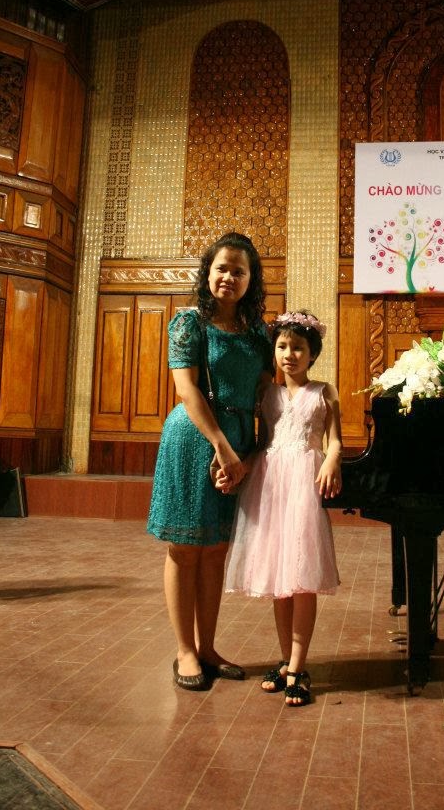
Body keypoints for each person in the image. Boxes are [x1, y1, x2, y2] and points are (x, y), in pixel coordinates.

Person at [147, 232, 272, 691]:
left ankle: (208, 647)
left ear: (251, 280)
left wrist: (252, 453)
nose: (229, 277)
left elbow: (265, 394)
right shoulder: (189, 323)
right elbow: (186, 389)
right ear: (208, 272)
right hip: (194, 437)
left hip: (238, 442)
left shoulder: (259, 333)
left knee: (216, 548)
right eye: (222, 268)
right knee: (184, 548)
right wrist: (221, 446)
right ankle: (185, 651)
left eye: (239, 271)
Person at [224, 309, 342, 707]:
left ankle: (299, 667)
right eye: (282, 347)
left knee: (301, 576)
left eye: (298, 348)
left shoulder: (324, 391)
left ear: (313, 354)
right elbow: (261, 441)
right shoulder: (266, 393)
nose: (289, 355)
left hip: (302, 485)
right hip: (270, 484)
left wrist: (331, 459)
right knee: (279, 578)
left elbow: (335, 440)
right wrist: (239, 468)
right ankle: (286, 660)